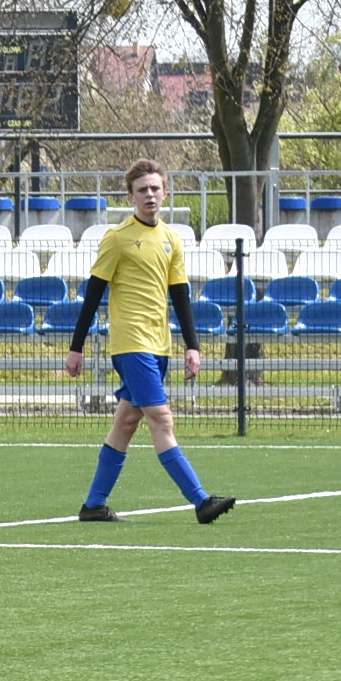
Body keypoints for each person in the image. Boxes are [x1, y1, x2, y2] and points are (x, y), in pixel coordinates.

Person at [66, 160, 235, 525]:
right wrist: (76, 346)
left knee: (126, 423)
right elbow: (93, 293)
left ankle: (94, 505)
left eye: (155, 188)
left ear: (166, 192)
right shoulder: (117, 238)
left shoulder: (172, 239)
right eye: (142, 190)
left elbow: (180, 294)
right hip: (130, 342)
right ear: (131, 196)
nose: (150, 195)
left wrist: (192, 345)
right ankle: (202, 501)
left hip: (160, 344)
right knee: (161, 418)